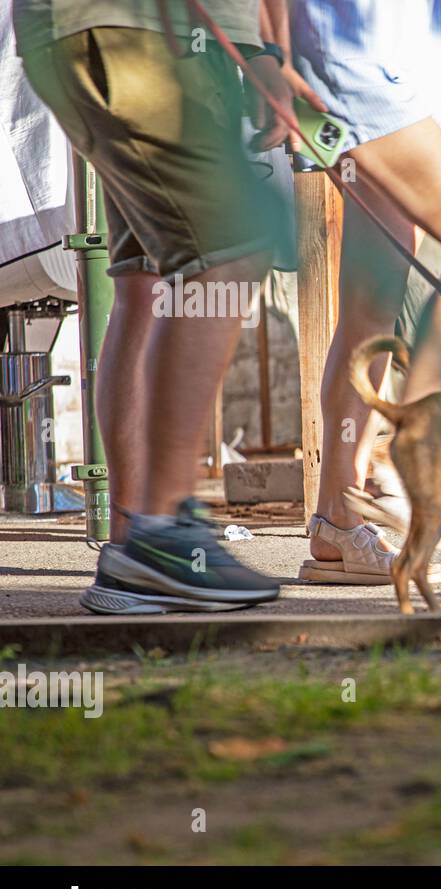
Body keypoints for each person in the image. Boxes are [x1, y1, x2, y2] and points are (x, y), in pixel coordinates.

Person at [14, 0, 294, 612]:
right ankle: (163, 539)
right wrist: (259, 53)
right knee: (231, 250)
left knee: (144, 281)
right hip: (131, 35)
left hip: (110, 33)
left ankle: (131, 549)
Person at [263, 0, 441, 584]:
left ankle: (338, 521)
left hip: (373, 72)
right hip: (365, 76)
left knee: (371, 307)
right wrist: (274, 57)